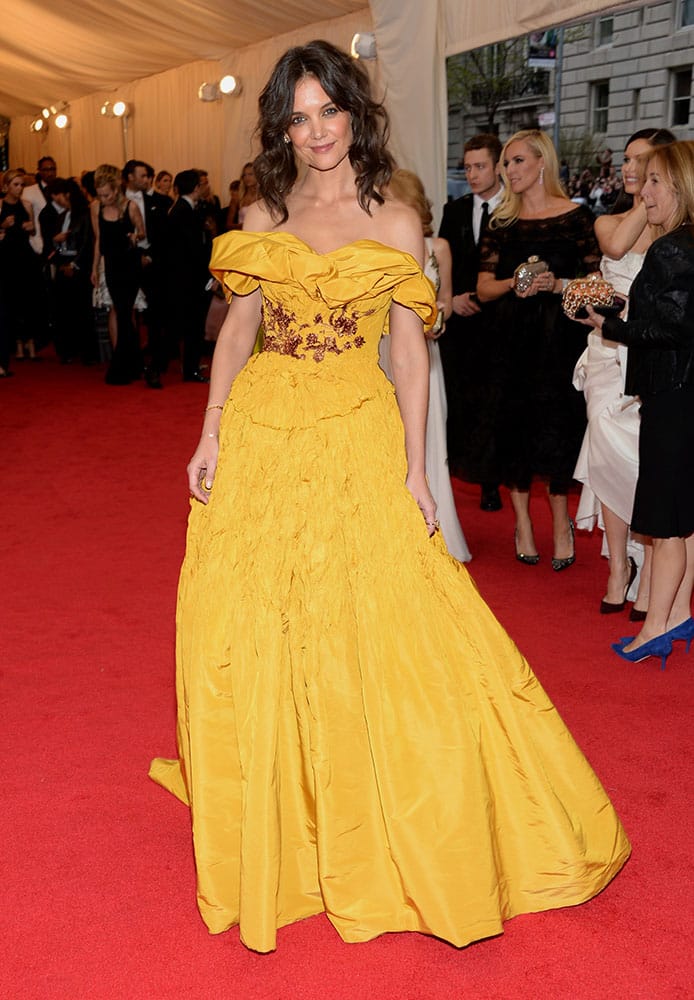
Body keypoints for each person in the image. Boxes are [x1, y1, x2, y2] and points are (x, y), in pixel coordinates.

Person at [149, 40, 629, 954]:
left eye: (330, 110)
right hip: (261, 429)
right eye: (299, 115)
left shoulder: (397, 219)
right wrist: (210, 428)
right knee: (254, 609)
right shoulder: (261, 208)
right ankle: (283, 795)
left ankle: (376, 800)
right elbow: (239, 329)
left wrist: (416, 469)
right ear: (281, 125)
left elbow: (411, 350)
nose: (317, 131)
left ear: (355, 113)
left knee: (381, 614)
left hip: (355, 427)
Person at [580, 140, 694, 670]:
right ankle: (674, 619)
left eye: (654, 183)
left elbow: (672, 328)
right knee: (687, 518)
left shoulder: (674, 247)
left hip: (672, 392)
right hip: (685, 389)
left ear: (679, 187)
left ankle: (653, 628)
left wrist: (610, 325)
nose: (643, 191)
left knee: (667, 521)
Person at [477, 130, 600, 569]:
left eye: (517, 161)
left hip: (561, 338)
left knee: (558, 429)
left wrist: (557, 284)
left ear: (541, 162)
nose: (509, 170)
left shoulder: (576, 218)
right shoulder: (500, 224)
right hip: (511, 338)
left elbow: (598, 281)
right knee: (514, 428)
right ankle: (523, 523)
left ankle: (562, 522)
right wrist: (517, 281)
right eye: (506, 163)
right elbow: (484, 288)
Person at [573, 129, 675, 618]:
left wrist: (659, 191)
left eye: (644, 163)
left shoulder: (677, 231)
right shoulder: (612, 219)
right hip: (605, 352)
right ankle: (618, 566)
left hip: (653, 355)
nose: (630, 169)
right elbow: (614, 249)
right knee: (605, 444)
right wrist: (643, 194)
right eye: (628, 161)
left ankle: (653, 565)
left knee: (646, 460)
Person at [379, 168, 471, 562]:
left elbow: (445, 300)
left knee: (428, 435)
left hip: (425, 354)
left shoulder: (439, 247)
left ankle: (435, 528)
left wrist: (436, 320)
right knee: (387, 438)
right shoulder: (378, 243)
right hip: (383, 348)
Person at [439, 133, 504, 512]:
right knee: (464, 399)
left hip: (500, 321)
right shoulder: (457, 210)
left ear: (497, 167)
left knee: (494, 403)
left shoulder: (513, 209)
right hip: (462, 321)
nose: (473, 174)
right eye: (468, 167)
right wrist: (456, 298)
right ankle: (464, 470)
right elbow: (447, 262)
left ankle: (492, 481)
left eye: (480, 166)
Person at [91, 163, 145, 385]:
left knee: (126, 313)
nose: (103, 198)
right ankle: (131, 362)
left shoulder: (130, 207)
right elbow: (98, 241)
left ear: (116, 189)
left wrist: (135, 236)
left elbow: (142, 232)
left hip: (130, 266)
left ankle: (123, 365)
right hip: (111, 266)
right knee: (119, 312)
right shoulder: (95, 208)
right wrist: (94, 268)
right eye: (100, 194)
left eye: (107, 194)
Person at [164, 169, 210, 382]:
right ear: (195, 188)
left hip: (186, 278)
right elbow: (193, 251)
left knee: (189, 326)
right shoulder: (183, 212)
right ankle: (187, 369)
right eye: (202, 184)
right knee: (190, 326)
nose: (205, 187)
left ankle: (189, 366)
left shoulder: (186, 209)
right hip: (188, 280)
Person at [0, 169, 40, 365]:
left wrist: (31, 228)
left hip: (25, 258)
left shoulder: (26, 205)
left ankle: (31, 345)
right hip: (6, 260)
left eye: (21, 185)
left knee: (28, 301)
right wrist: (3, 227)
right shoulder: (0, 206)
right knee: (10, 303)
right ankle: (16, 346)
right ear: (6, 186)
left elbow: (33, 233)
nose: (19, 188)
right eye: (16, 184)